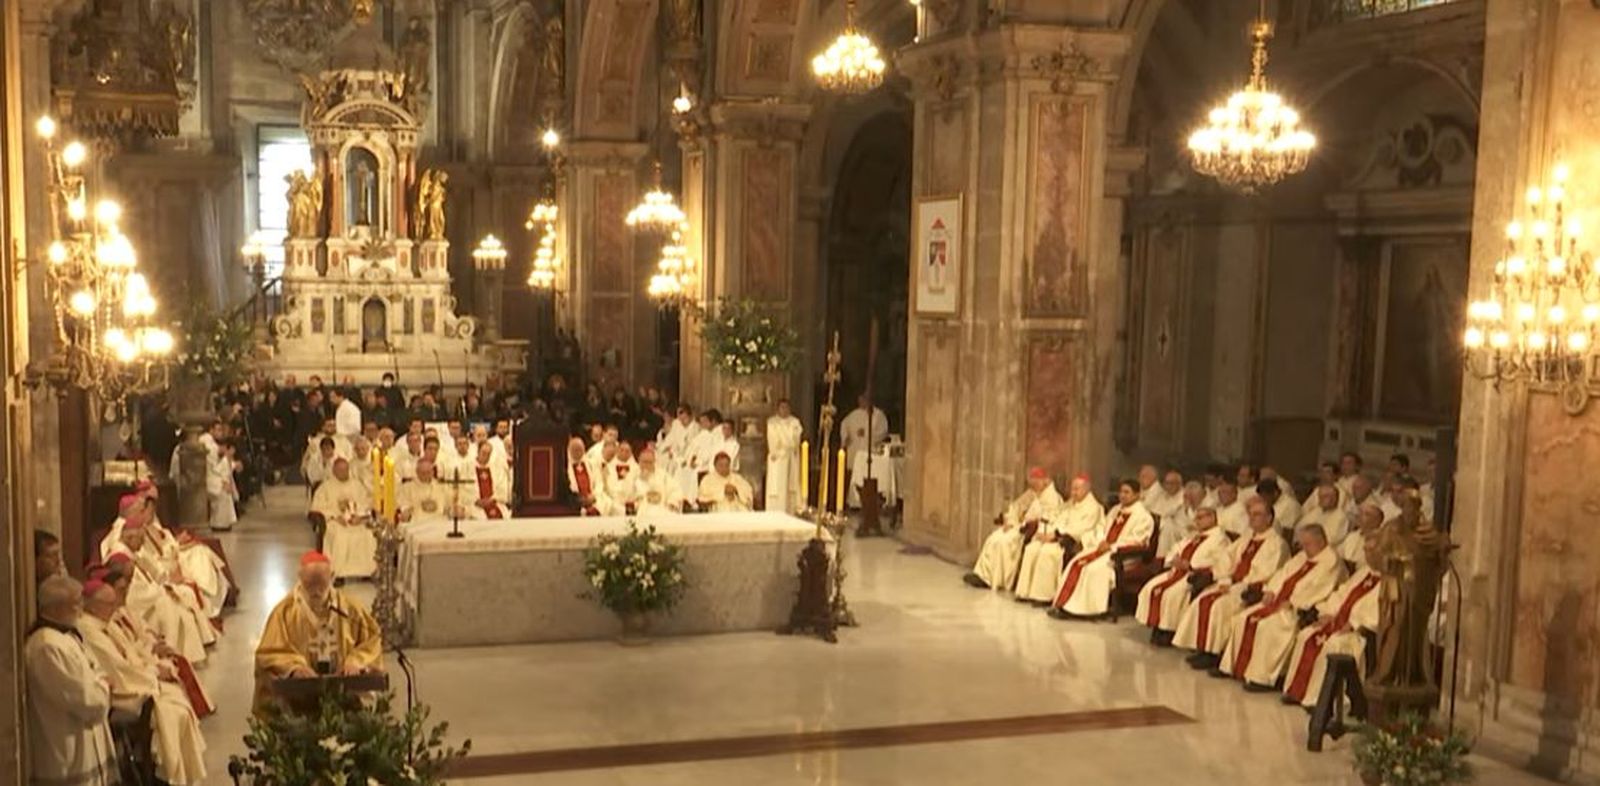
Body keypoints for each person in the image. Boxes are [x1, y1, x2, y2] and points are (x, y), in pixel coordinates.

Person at [79, 578, 207, 785]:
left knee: (179, 703)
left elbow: (129, 655)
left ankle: (177, 773)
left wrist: (152, 668)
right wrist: (153, 674)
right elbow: (118, 668)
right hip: (123, 693)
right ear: (93, 606)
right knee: (173, 712)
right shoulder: (90, 630)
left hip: (136, 679)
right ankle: (165, 774)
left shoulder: (105, 622)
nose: (115, 609)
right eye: (109, 604)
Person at [1214, 524, 1344, 689]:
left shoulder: (1331, 561)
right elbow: (1282, 573)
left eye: (1308, 544)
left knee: (1266, 626)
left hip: (1297, 609)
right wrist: (1271, 590)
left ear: (1321, 541)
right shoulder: (1303, 556)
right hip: (1278, 602)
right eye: (1302, 544)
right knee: (1243, 618)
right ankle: (1233, 668)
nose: (1304, 549)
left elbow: (1321, 590)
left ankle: (1262, 678)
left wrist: (1294, 602)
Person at [252, 552, 383, 715]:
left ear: (332, 577)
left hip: (344, 687)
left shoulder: (350, 609)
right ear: (300, 577)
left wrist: (356, 661)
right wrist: (294, 667)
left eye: (321, 585)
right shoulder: (285, 612)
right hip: (298, 695)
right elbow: (269, 652)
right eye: (309, 585)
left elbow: (371, 639)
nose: (316, 592)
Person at [1174, 497, 1288, 669]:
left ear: (1269, 518)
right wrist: (1224, 577)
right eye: (1250, 514)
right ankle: (1203, 649)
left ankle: (1215, 655)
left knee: (1219, 608)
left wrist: (1237, 583)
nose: (1252, 518)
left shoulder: (1277, 544)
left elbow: (1267, 574)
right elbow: (1227, 558)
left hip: (1248, 589)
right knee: (1202, 601)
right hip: (1231, 582)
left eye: (1257, 514)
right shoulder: (1247, 537)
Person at [26, 575, 117, 786]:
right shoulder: (46, 646)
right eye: (76, 603)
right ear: (56, 608)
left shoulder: (68, 637)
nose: (81, 607)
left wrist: (100, 681)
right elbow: (84, 699)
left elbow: (96, 670)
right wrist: (103, 687)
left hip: (84, 742)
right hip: (66, 749)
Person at [1281, 537, 1383, 707]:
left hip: (1359, 633)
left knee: (1333, 645)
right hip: (1338, 622)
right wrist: (1328, 612)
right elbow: (1342, 593)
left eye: (1372, 551)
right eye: (1366, 551)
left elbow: (1379, 613)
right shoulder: (1364, 572)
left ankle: (1322, 699)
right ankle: (1298, 691)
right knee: (1307, 635)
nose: (1368, 555)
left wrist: (1355, 623)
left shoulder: (1390, 581)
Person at [1048, 478, 1155, 618]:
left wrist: (1112, 546)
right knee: (1076, 562)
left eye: (1127, 492)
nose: (1122, 495)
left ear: (1137, 495)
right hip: (1104, 549)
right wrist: (1097, 541)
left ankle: (1086, 610)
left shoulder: (1143, 517)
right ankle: (1065, 604)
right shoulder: (1116, 510)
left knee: (1093, 569)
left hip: (1123, 557)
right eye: (1121, 491)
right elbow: (1102, 528)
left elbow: (1138, 541)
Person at [1137, 507, 1234, 645]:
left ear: (1212, 518)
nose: (1197, 521)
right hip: (1177, 571)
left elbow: (1219, 560)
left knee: (1173, 594)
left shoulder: (1220, 539)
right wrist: (1174, 558)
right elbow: (1177, 547)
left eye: (1201, 518)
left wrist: (1190, 564)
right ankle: (1158, 627)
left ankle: (1170, 631)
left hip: (1195, 574)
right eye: (1196, 518)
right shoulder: (1195, 535)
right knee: (1151, 587)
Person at [963, 468, 1064, 591]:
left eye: (1036, 483)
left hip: (1029, 531)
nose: (1033, 486)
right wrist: (1009, 520)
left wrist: (1027, 523)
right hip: (1017, 526)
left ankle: (997, 580)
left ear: (1045, 481)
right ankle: (983, 575)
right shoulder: (1032, 493)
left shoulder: (1052, 499)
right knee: (995, 537)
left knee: (1004, 542)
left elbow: (1050, 519)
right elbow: (1016, 507)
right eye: (1032, 483)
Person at [1014, 474, 1101, 603]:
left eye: (1077, 489)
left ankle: (1044, 596)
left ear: (1087, 489)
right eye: (1073, 489)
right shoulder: (1070, 504)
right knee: (1032, 549)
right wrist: (1047, 533)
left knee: (1047, 553)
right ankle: (1025, 592)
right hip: (1054, 536)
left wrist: (1056, 535)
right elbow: (1057, 518)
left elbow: (1082, 529)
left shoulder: (1093, 507)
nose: (1074, 492)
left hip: (1068, 540)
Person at [311, 458, 378, 580]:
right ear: (334, 471)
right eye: (340, 470)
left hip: (356, 520)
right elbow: (317, 507)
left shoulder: (357, 485)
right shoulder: (326, 487)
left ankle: (366, 572)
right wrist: (336, 516)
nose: (343, 473)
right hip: (336, 521)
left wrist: (359, 516)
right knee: (340, 536)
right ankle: (339, 573)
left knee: (368, 534)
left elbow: (366, 503)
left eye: (345, 470)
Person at [1157, 481, 1206, 558]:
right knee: (1168, 525)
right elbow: (1166, 515)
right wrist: (1185, 508)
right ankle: (1162, 558)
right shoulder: (1181, 507)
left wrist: (1193, 526)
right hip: (1179, 534)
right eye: (1186, 496)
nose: (1189, 499)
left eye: (1192, 496)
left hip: (1195, 536)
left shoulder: (1207, 508)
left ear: (1201, 496)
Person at [564, 437, 610, 516]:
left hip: (592, 497)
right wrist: (581, 499)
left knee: (606, 502)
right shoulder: (565, 466)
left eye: (580, 450)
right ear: (569, 450)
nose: (578, 453)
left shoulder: (591, 463)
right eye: (575, 450)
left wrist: (593, 495)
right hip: (577, 500)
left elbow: (599, 482)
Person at [840, 395, 888, 467]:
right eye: (860, 399)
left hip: (871, 453)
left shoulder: (878, 415)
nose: (861, 401)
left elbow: (883, 433)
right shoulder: (853, 414)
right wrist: (845, 437)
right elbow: (844, 424)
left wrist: (867, 433)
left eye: (864, 399)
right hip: (855, 453)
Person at [469, 441, 512, 519]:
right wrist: (476, 500)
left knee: (506, 516)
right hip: (475, 506)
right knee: (478, 518)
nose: (486, 456)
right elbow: (465, 488)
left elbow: (502, 487)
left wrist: (492, 499)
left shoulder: (496, 468)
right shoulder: (468, 467)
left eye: (489, 454)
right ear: (478, 452)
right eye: (484, 453)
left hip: (494, 503)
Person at [634, 447, 683, 515]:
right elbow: (624, 494)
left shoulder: (663, 476)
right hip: (638, 512)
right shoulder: (633, 475)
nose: (647, 465)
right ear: (639, 461)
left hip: (661, 511)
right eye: (645, 462)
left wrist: (672, 502)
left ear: (654, 462)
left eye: (650, 462)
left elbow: (676, 490)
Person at [207, 438, 240, 532]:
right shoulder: (223, 460)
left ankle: (225, 524)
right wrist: (224, 483)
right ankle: (218, 525)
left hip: (225, 484)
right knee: (220, 506)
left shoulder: (227, 460)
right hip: (220, 484)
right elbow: (217, 471)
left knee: (226, 505)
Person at [1339, 503, 1384, 569]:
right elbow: (1339, 554)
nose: (1359, 516)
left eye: (1366, 514)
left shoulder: (1381, 539)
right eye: (1360, 512)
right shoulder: (1352, 536)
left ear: (1377, 520)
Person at [603, 442, 641, 514]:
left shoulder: (637, 469)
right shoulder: (607, 468)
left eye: (627, 451)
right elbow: (605, 487)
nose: (624, 453)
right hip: (614, 503)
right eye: (622, 450)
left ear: (631, 453)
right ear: (617, 451)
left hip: (631, 502)